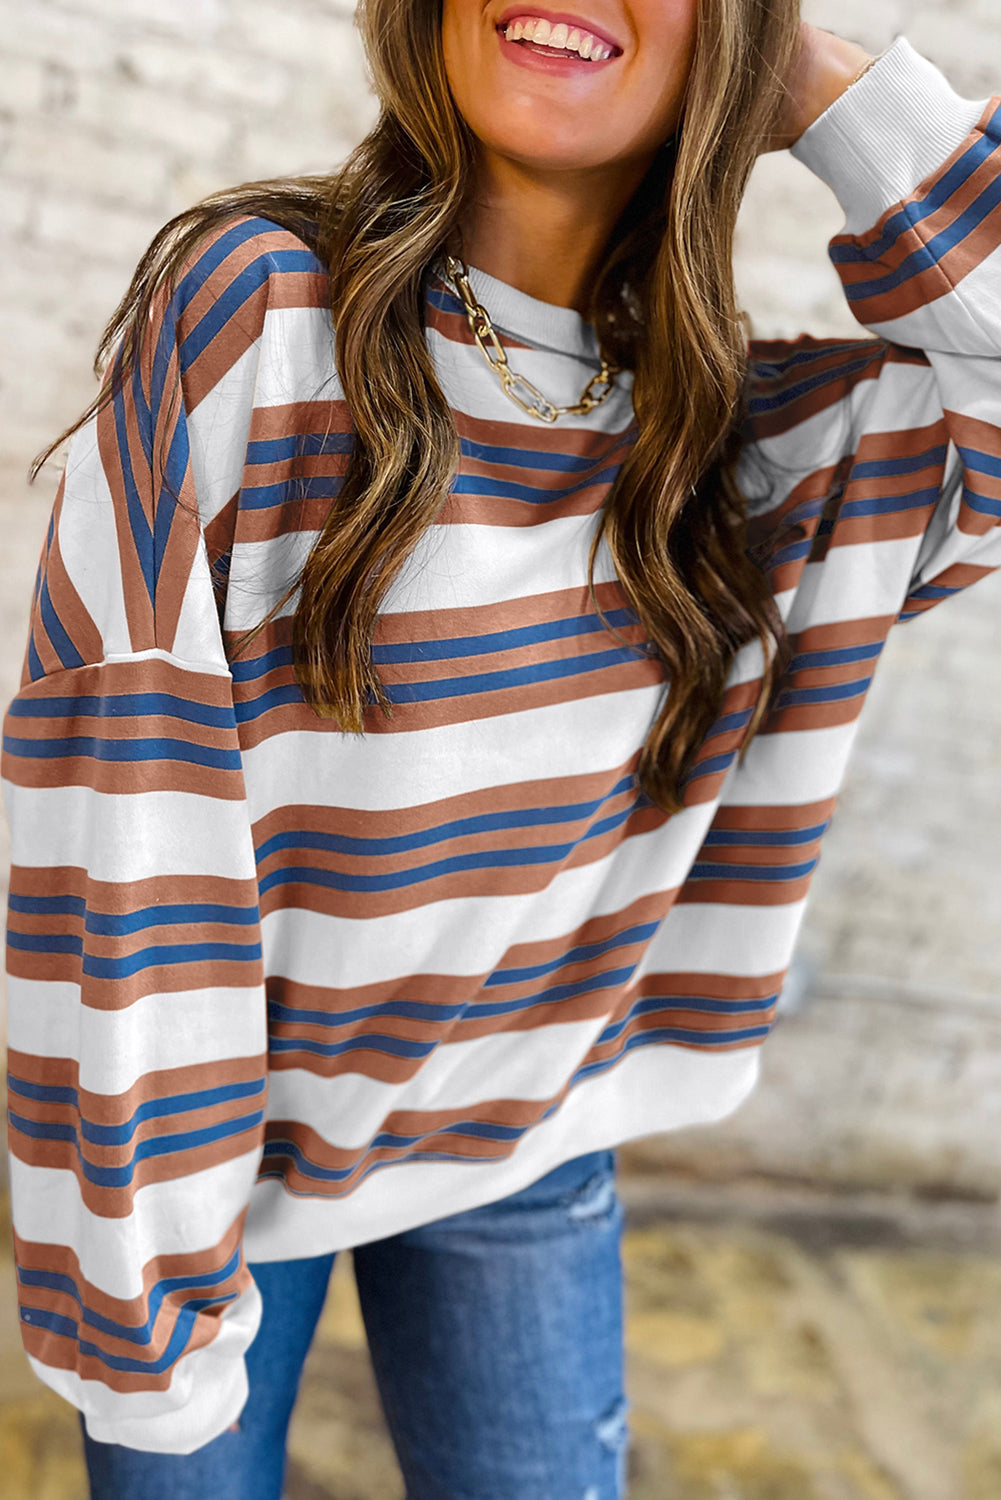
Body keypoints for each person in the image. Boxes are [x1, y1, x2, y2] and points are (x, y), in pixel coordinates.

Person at [2, 0, 999, 1494]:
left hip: (524, 1140)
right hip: (215, 1182)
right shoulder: (257, 315)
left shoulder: (748, 449)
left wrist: (799, 75)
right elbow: (125, 825)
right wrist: (148, 1311)